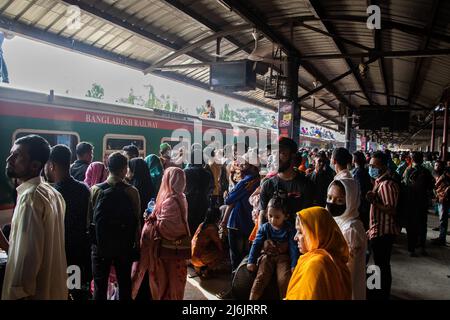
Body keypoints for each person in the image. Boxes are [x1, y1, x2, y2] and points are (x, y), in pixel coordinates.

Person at [3, 135, 67, 300]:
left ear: (35, 165)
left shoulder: (30, 198)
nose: (9, 159)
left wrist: (18, 293)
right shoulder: (52, 193)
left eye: (17, 155)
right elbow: (34, 246)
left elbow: (28, 260)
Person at [131, 167, 190, 300]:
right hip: (177, 250)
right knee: (173, 281)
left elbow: (165, 229)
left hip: (165, 251)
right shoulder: (182, 197)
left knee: (163, 281)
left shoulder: (170, 201)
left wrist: (150, 220)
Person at [91, 152, 141, 300]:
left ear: (108, 168)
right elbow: (137, 221)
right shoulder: (132, 191)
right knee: (125, 284)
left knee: (100, 286)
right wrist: (136, 246)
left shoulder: (96, 190)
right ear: (125, 169)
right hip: (124, 246)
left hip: (100, 247)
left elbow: (90, 220)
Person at [44, 144, 92, 300]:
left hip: (56, 253)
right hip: (77, 252)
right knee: (75, 290)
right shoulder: (83, 189)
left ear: (51, 165)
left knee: (56, 291)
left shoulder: (51, 193)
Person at [285, 207, 351, 300]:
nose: (295, 238)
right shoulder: (336, 259)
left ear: (317, 233)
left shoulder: (316, 264)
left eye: (300, 232)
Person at [247, 197, 298, 300]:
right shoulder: (264, 227)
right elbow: (256, 243)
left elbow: (293, 247)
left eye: (277, 217)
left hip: (283, 257)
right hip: (268, 256)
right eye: (270, 216)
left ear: (286, 216)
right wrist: (251, 261)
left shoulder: (289, 229)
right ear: (266, 214)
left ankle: (286, 298)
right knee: (261, 276)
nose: (272, 220)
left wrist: (293, 264)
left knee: (284, 279)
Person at [259, 137, 316, 226]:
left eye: (282, 153)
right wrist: (262, 238)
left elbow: (307, 220)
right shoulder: (267, 185)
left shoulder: (306, 185)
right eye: (274, 153)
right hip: (270, 238)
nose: (276, 158)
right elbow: (262, 215)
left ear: (292, 156)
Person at [366, 151, 399, 300]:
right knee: (379, 264)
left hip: (383, 232)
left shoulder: (387, 185)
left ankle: (382, 294)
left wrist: (374, 202)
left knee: (381, 265)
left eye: (374, 166)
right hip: (377, 230)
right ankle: (378, 291)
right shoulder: (379, 182)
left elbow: (391, 209)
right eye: (370, 165)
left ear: (384, 167)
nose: (371, 168)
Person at [327, 179, 367, 300]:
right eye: (329, 198)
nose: (332, 203)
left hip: (344, 286)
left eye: (339, 200)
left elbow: (347, 269)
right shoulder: (339, 219)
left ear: (350, 201)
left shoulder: (351, 229)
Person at [223, 153, 260, 280]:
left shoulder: (245, 181)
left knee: (235, 258)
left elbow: (229, 200)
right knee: (246, 256)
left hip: (236, 223)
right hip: (249, 224)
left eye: (245, 162)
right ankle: (243, 286)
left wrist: (230, 189)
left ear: (252, 165)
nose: (242, 164)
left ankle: (235, 288)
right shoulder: (259, 179)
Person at [403, 152, 435, 256]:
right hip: (423, 202)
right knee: (422, 225)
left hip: (411, 202)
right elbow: (431, 186)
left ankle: (411, 249)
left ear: (412, 159)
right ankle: (422, 247)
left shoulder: (409, 170)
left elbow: (405, 185)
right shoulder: (426, 171)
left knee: (411, 225)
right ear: (422, 160)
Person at [184, 144, 213, 234]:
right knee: (200, 227)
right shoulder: (207, 173)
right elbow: (211, 188)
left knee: (189, 225)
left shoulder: (186, 172)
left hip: (189, 201)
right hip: (203, 202)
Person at [191, 207, 226, 278]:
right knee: (222, 253)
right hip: (199, 258)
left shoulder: (202, 224)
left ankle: (198, 268)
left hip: (191, 257)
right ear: (217, 217)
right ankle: (206, 270)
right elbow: (219, 245)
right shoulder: (212, 228)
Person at [127, 158, 154, 226]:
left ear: (134, 171)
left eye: (129, 168)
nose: (127, 171)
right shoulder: (149, 184)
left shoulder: (133, 189)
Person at [352, 151, 372, 231]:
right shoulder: (363, 170)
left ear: (355, 160)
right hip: (364, 204)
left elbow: (360, 190)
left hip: (361, 205)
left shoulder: (358, 172)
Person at [433, 161, 449, 245]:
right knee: (442, 218)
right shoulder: (437, 175)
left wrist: (446, 191)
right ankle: (441, 237)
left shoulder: (445, 175)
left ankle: (442, 239)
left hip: (444, 199)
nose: (436, 167)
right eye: (436, 165)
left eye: (438, 166)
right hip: (440, 198)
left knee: (443, 219)